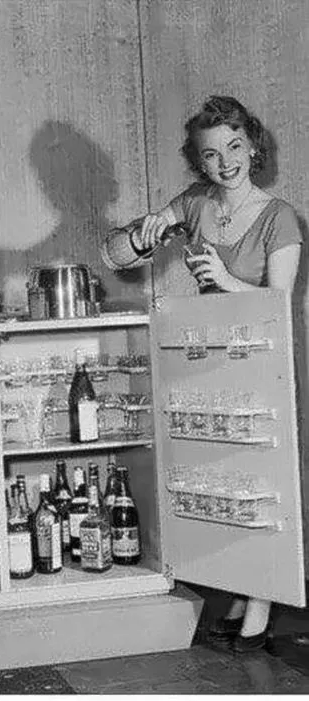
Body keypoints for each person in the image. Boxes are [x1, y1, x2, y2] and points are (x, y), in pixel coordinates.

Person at [139, 95, 303, 653]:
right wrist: (153, 224)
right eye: (211, 154)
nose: (225, 161)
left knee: (262, 480)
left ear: (253, 147)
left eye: (234, 147)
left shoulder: (279, 217)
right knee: (224, 480)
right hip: (212, 362)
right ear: (199, 161)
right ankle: (239, 589)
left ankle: (261, 603)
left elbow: (278, 303)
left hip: (265, 360)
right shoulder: (196, 203)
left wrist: (225, 280)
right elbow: (141, 237)